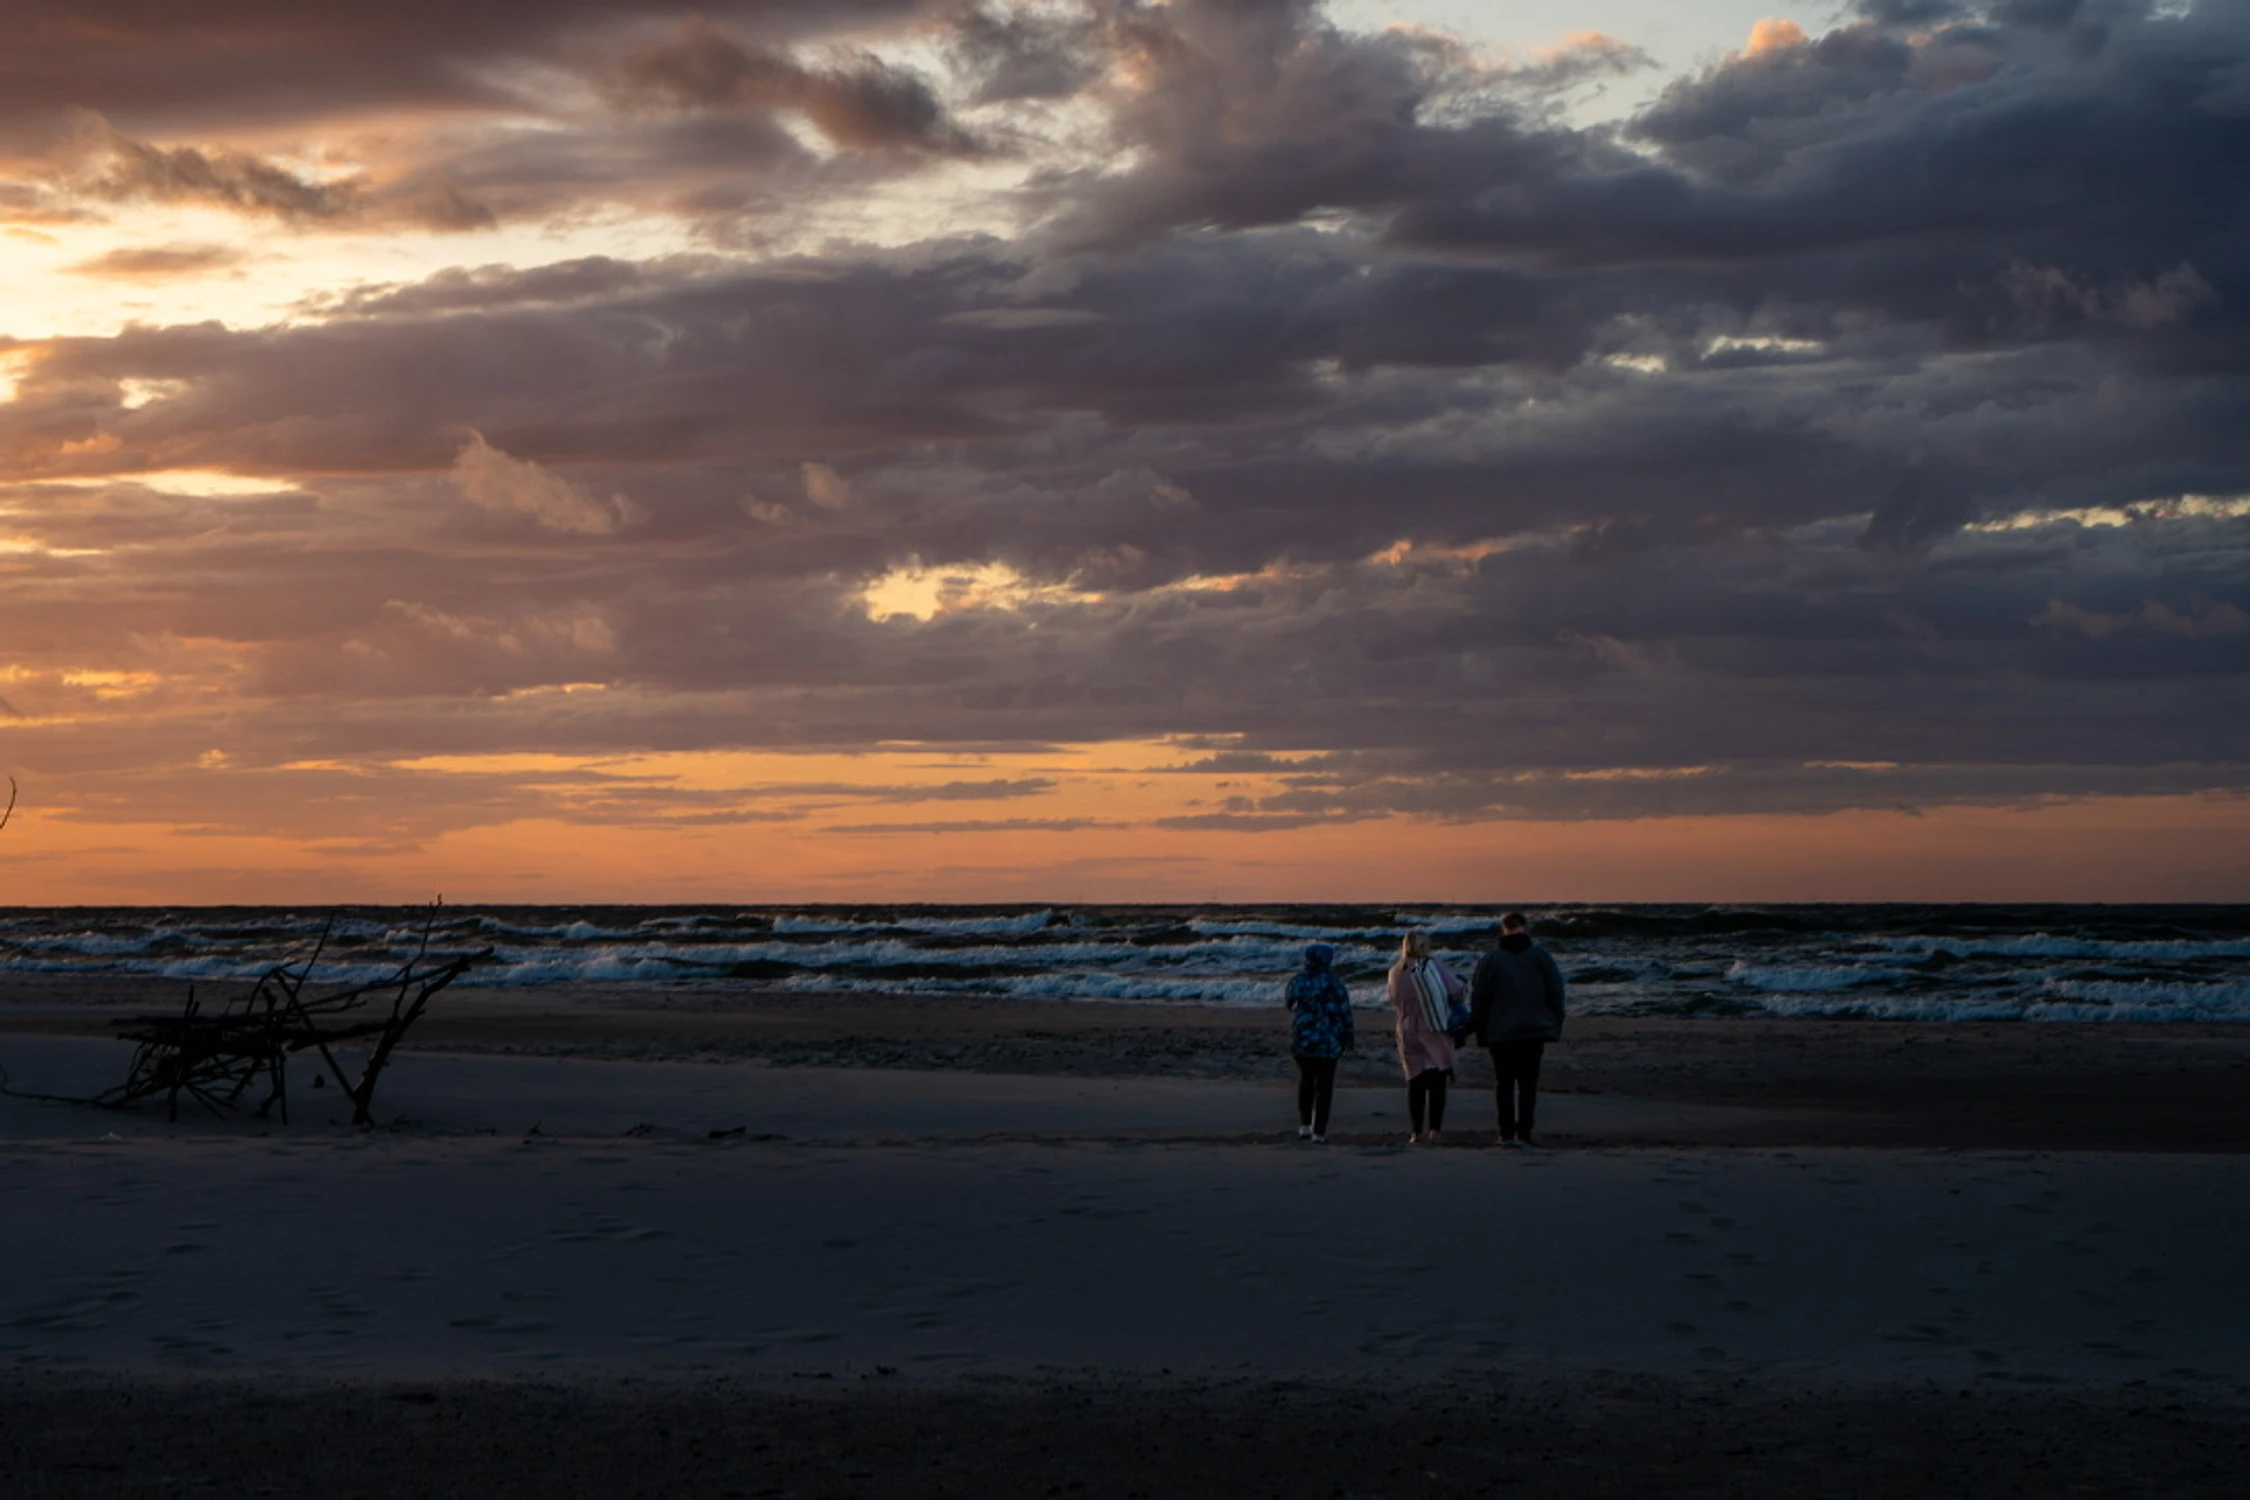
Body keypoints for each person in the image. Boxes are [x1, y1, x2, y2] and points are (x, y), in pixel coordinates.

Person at [1469, 911, 1567, 1147]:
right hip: (1533, 1029)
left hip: (1501, 1032)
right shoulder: (1540, 957)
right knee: (1527, 1085)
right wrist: (1555, 1019)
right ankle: (1524, 1131)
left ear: (1503, 929)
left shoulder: (1491, 960)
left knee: (1504, 1083)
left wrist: (1479, 1029)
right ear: (1525, 928)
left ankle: (1505, 1131)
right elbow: (1556, 991)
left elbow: (1479, 997)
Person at [1387, 931, 1465, 1144]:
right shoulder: (1430, 966)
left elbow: (1393, 998)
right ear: (1424, 946)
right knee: (1437, 1079)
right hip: (1430, 1025)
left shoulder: (1396, 970)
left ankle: (1416, 1132)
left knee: (1415, 1080)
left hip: (1405, 1027)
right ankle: (1435, 1130)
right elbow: (1455, 989)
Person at [1284, 943, 1354, 1143]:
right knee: (1324, 1086)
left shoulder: (1297, 980)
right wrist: (1348, 1037)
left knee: (1305, 1082)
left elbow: (1289, 1003)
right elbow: (1345, 1013)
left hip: (1303, 1038)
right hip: (1328, 1039)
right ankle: (1319, 1132)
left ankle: (1304, 1127)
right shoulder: (1335, 983)